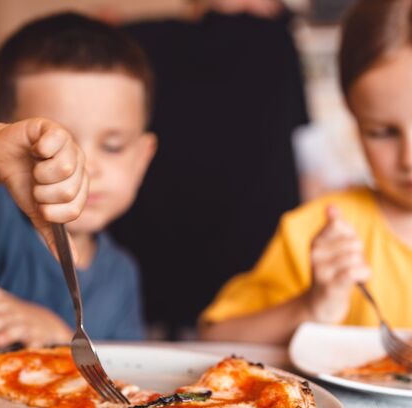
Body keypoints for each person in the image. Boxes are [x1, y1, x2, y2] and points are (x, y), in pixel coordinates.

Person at [0, 13, 156, 347]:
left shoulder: (121, 275)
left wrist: (60, 340)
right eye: (54, 143)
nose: (87, 166)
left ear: (142, 158)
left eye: (113, 146)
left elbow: (126, 378)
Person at [200, 0, 412, 345]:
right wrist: (312, 305)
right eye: (382, 132)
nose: (408, 158)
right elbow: (214, 335)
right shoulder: (319, 234)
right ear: (354, 121)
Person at [111, 0, 308, 339]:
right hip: (249, 268)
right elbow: (307, 157)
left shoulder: (138, 39)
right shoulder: (275, 42)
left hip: (154, 268)